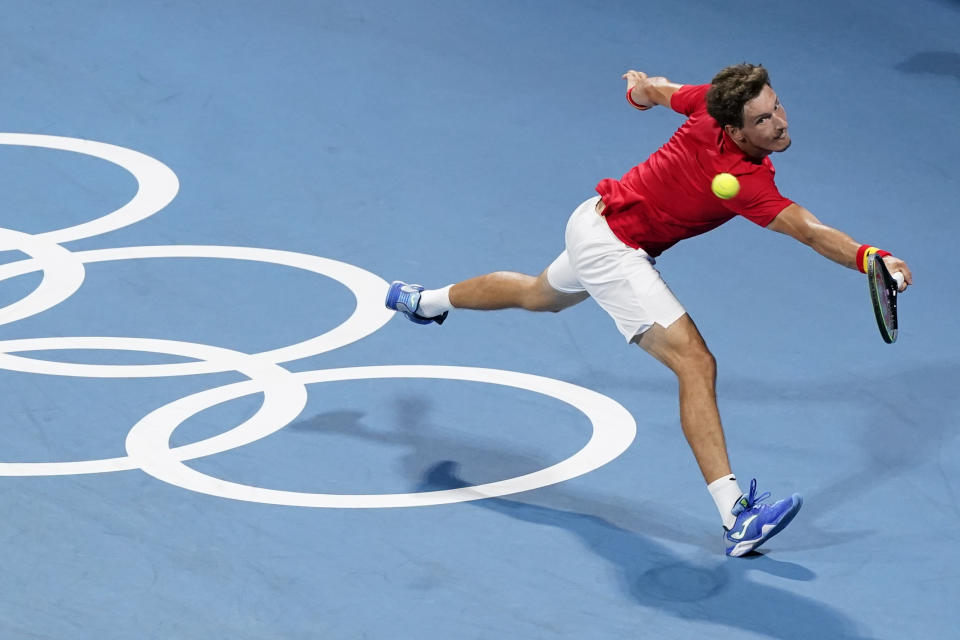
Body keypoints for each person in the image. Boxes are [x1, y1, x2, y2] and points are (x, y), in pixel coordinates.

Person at [385, 63, 913, 557]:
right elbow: (810, 231)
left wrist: (638, 91)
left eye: (776, 108)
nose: (778, 123)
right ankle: (736, 517)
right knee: (695, 363)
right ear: (732, 129)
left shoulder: (710, 102)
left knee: (536, 295)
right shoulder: (743, 182)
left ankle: (422, 302)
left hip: (592, 220)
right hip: (614, 247)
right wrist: (873, 257)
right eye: (762, 120)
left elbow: (660, 90)